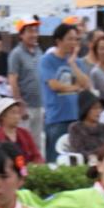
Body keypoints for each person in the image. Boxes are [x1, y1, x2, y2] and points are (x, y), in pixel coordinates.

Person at [39, 23, 90, 163]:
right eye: (70, 39)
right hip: (57, 118)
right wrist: (75, 87)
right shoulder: (47, 60)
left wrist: (72, 63)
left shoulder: (77, 62)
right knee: (56, 159)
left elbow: (85, 84)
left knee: (77, 159)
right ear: (59, 41)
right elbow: (54, 85)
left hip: (76, 117)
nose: (73, 43)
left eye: (76, 39)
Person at [7, 18, 45, 156]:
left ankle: (36, 167)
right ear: (21, 34)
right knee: (24, 142)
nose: (34, 34)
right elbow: (13, 79)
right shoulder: (16, 54)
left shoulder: (39, 51)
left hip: (39, 104)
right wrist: (19, 103)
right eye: (30, 31)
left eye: (36, 31)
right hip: (25, 105)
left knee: (37, 142)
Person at [0, 98, 41, 164]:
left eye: (18, 113)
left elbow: (36, 156)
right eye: (13, 113)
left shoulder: (25, 133)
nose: (17, 116)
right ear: (2, 116)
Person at [67, 90, 104, 156]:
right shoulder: (75, 128)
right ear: (85, 110)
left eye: (100, 108)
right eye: (95, 108)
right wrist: (97, 156)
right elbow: (78, 151)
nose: (99, 111)